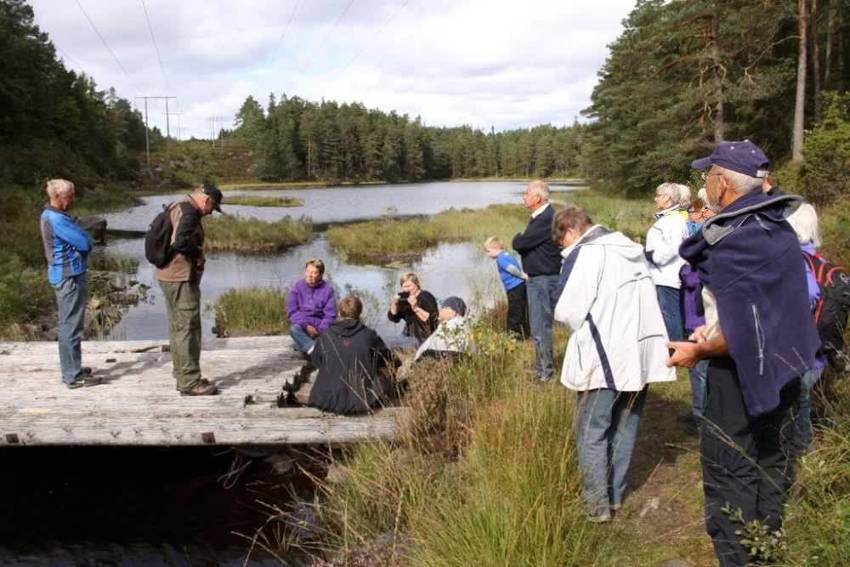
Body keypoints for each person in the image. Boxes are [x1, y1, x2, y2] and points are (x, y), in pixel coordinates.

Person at [668, 140, 819, 567]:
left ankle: (740, 557)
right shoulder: (778, 225)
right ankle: (764, 548)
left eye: (706, 175)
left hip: (741, 378)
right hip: (786, 367)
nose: (703, 183)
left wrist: (696, 350)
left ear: (722, 183)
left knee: (730, 471)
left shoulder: (734, 239)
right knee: (773, 461)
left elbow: (736, 334)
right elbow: (772, 305)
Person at [552, 206, 675, 523]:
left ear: (571, 231)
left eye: (561, 242)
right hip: (639, 357)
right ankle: (615, 496)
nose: (564, 249)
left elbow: (567, 311)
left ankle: (596, 506)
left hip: (602, 359)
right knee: (625, 426)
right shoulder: (632, 248)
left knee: (591, 431)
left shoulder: (589, 254)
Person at [156, 183, 223, 396]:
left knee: (177, 327)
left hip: (167, 275)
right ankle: (190, 382)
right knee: (188, 328)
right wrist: (198, 254)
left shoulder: (177, 205)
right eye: (212, 207)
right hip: (180, 278)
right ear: (206, 200)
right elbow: (180, 243)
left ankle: (182, 372)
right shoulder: (189, 213)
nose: (211, 212)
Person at [39, 179, 101, 389]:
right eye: (69, 196)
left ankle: (73, 368)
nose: (72, 199)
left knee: (70, 324)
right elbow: (84, 242)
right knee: (70, 326)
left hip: (65, 274)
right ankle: (72, 375)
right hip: (68, 276)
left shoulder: (54, 215)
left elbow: (79, 236)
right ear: (57, 197)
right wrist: (86, 238)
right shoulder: (57, 219)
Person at [786, 202, 828, 454]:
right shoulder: (817, 257)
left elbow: (808, 294)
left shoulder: (796, 260)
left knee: (797, 404)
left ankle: (803, 454)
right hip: (819, 347)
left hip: (799, 349)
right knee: (804, 402)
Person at [308, 295, 397, 414]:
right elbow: (389, 360)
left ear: (339, 312)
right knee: (386, 374)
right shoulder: (369, 335)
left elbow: (316, 362)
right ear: (359, 313)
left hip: (326, 400)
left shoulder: (325, 335)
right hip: (363, 400)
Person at [512, 179, 562, 380]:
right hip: (538, 279)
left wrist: (518, 238)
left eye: (527, 193)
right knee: (538, 327)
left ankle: (546, 373)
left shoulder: (545, 219)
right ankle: (541, 368)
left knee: (541, 327)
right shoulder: (541, 216)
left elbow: (520, 243)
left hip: (543, 280)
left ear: (538, 198)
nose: (523, 196)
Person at [679, 190, 714, 418]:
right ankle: (702, 412)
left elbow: (694, 277)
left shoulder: (710, 235)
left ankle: (701, 416)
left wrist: (684, 269)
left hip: (700, 318)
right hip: (700, 314)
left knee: (700, 368)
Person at [645, 182, 690, 341]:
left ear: (667, 198)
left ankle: (675, 349)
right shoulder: (670, 219)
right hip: (662, 274)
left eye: (658, 196)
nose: (655, 199)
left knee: (670, 314)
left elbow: (675, 247)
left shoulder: (674, 220)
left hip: (668, 276)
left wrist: (653, 256)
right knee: (668, 313)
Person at [286, 259, 336, 355]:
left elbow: (330, 316)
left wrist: (320, 330)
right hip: (303, 326)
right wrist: (306, 326)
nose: (310, 275)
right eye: (308, 271)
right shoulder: (297, 287)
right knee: (294, 329)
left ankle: (308, 347)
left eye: (314, 273)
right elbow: (292, 311)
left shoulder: (327, 290)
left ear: (321, 275)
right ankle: (316, 351)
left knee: (334, 333)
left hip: (320, 327)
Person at [484, 236, 530, 338]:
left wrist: (522, 275)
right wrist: (522, 275)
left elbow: (511, 268)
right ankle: (525, 334)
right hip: (520, 286)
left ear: (495, 248)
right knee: (521, 310)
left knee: (514, 313)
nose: (487, 254)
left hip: (514, 288)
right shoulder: (507, 254)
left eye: (488, 251)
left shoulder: (500, 259)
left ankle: (514, 336)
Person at [387, 272, 438, 346]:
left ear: (417, 284)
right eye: (404, 287)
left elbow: (431, 320)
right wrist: (394, 304)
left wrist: (415, 307)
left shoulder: (426, 297)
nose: (406, 290)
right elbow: (394, 318)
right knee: (383, 340)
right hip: (407, 334)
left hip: (423, 337)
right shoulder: (404, 297)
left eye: (409, 286)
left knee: (390, 343)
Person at [414, 296, 471, 362]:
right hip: (460, 360)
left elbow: (422, 350)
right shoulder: (466, 325)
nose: (440, 311)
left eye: (444, 308)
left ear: (453, 312)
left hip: (443, 357)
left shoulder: (449, 324)